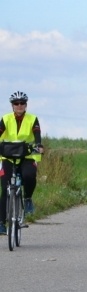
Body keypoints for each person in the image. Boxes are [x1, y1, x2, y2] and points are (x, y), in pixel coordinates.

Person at [0, 91, 44, 234]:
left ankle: (28, 198)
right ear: (12, 106)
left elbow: (37, 134)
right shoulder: (5, 119)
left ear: (26, 105)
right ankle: (1, 222)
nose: (19, 106)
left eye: (22, 103)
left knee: (29, 175)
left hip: (27, 156)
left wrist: (39, 145)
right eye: (16, 104)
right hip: (7, 156)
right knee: (5, 189)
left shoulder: (32, 119)